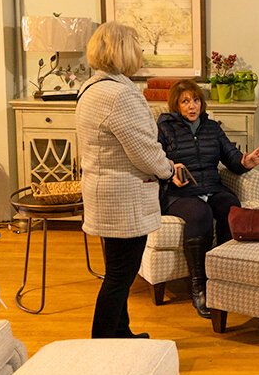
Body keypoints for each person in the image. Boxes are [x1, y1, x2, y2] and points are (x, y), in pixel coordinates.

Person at [76, 21, 185, 338]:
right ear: (123, 52)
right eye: (136, 48)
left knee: (116, 271)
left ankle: (120, 334)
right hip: (124, 198)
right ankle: (103, 341)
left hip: (102, 192)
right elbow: (144, 151)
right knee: (120, 276)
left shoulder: (91, 89)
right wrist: (168, 170)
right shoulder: (121, 96)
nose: (140, 54)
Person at [157, 79, 259, 319]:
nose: (192, 106)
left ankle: (226, 277)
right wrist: (169, 174)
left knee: (230, 207)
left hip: (212, 187)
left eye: (196, 100)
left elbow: (231, 156)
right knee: (201, 214)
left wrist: (244, 162)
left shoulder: (212, 128)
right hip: (180, 194)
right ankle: (200, 287)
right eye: (185, 101)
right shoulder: (165, 128)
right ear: (176, 105)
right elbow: (154, 162)